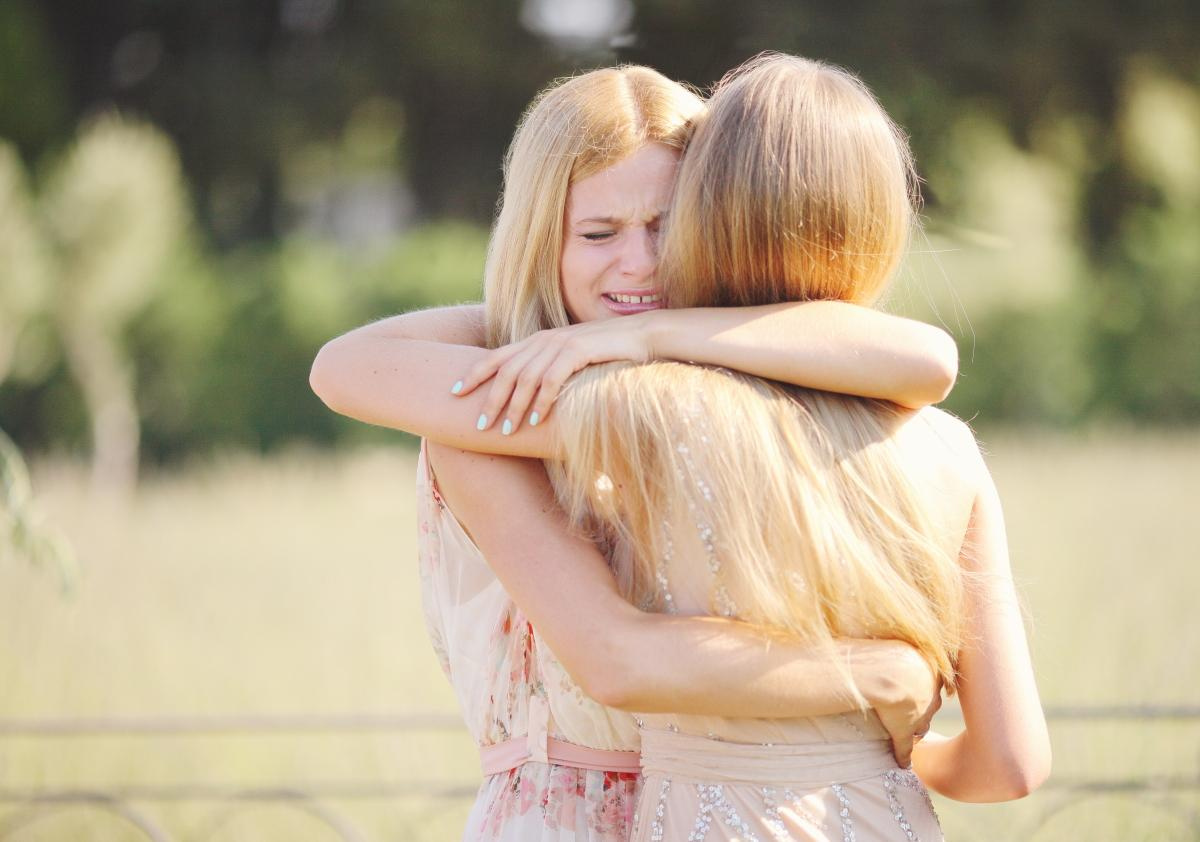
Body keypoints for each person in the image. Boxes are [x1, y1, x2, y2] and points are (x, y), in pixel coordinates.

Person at [311, 63, 962, 841]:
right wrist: (873, 674)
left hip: (732, 813)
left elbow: (926, 359)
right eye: (597, 233)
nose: (641, 263)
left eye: (667, 225)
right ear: (538, 241)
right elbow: (342, 368)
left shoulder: (725, 397)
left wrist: (647, 334)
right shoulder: (501, 408)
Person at [530, 53, 1051, 838]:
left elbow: (379, 383)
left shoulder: (647, 409)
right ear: (883, 220)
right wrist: (893, 750)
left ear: (705, 210)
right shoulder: (949, 449)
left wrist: (637, 336)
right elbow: (1012, 764)